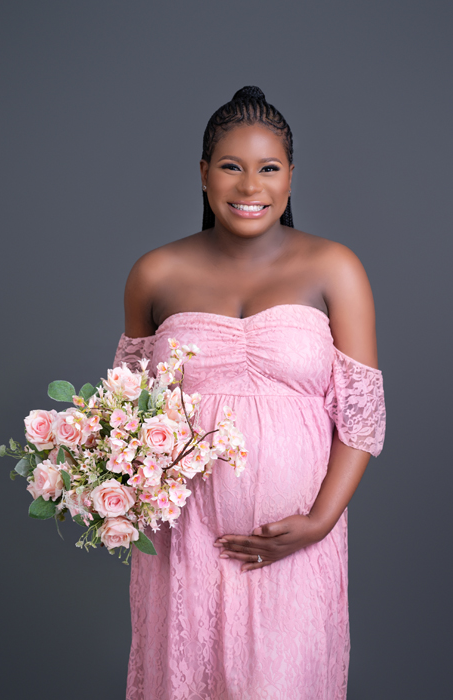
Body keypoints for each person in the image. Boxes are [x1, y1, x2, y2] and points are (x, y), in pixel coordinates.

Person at [114, 86, 386, 700]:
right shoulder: (154, 273)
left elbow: (362, 418)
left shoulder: (334, 267)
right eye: (231, 166)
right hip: (182, 544)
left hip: (292, 545)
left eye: (268, 168)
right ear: (204, 172)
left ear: (290, 177)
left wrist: (319, 521)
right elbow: (125, 412)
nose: (249, 186)